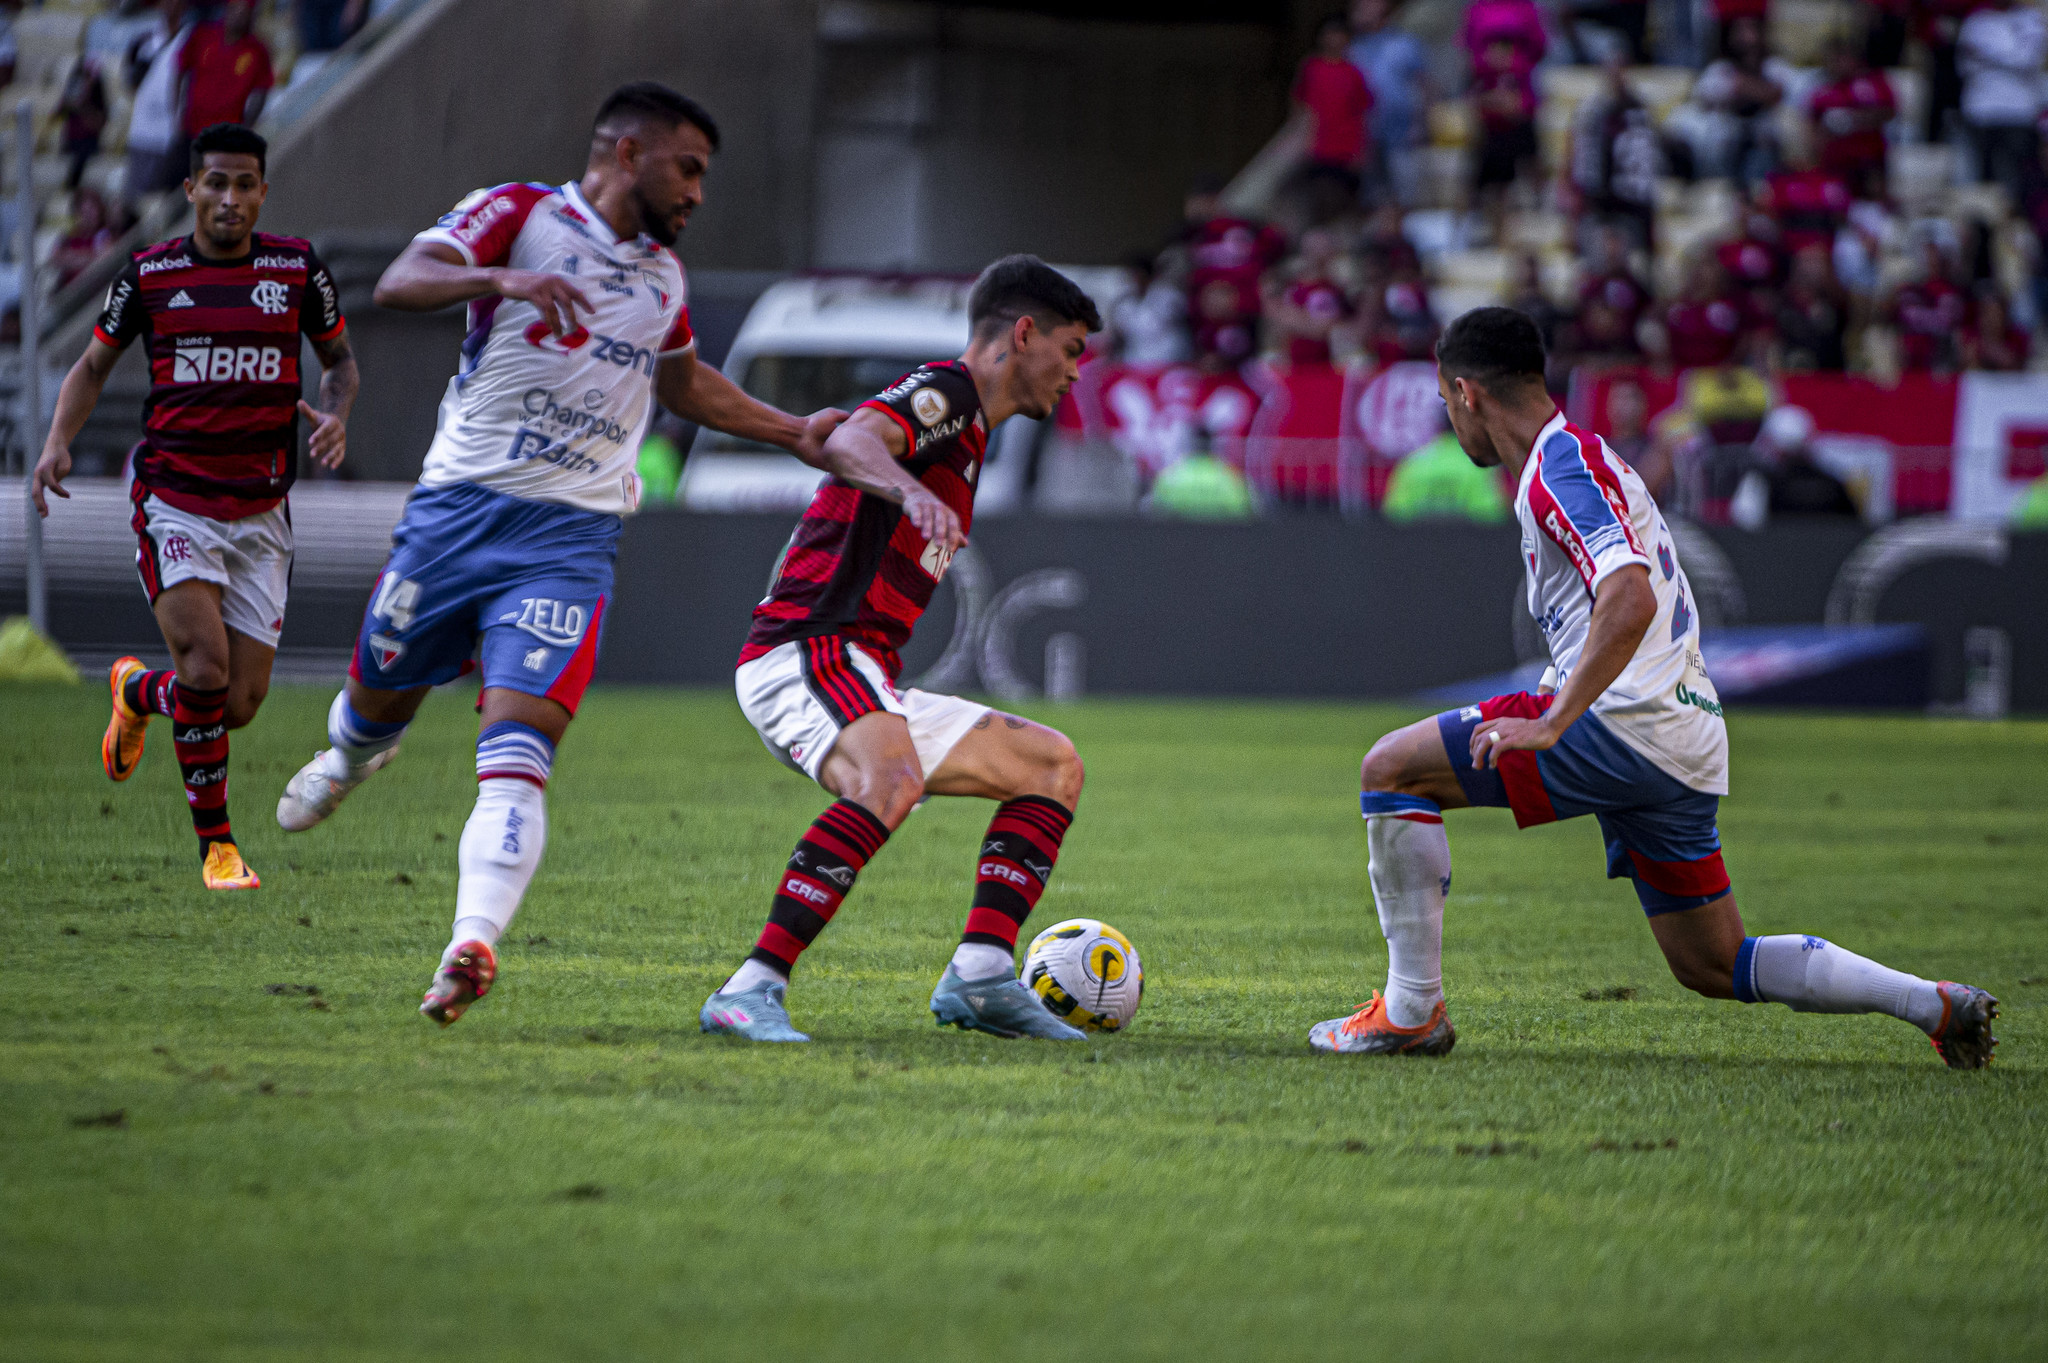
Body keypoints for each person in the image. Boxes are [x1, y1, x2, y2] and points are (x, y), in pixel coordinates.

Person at [269, 84, 842, 1027]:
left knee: (520, 746)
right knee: (377, 696)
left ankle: (472, 940)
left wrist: (794, 433)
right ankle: (352, 751)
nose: (699, 192)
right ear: (625, 153)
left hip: (569, 539)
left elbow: (685, 383)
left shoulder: (663, 280)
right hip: (456, 515)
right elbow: (400, 282)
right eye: (687, 168)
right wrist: (506, 281)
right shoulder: (523, 214)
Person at [1309, 306, 1998, 1068]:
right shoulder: (1583, 456)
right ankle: (1934, 1003)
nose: (1449, 417)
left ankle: (1410, 1011)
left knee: (1392, 769)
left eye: (1445, 400)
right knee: (1713, 962)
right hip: (1682, 735)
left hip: (1617, 719)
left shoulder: (1557, 471)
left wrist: (1552, 721)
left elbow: (1629, 594)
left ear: (1467, 393)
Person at [701, 255, 1102, 1044]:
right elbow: (855, 436)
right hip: (805, 649)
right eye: (1073, 348)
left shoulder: (973, 430)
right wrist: (912, 490)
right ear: (1024, 335)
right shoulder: (948, 395)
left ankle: (982, 976)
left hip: (865, 670)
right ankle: (749, 988)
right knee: (892, 780)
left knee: (1051, 768)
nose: (1075, 373)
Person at [30, 124, 356, 891]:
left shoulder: (297, 270)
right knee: (206, 670)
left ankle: (137, 692)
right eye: (216, 183)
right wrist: (56, 442)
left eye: (245, 184)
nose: (230, 198)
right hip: (175, 500)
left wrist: (337, 411)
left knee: (236, 703)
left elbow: (340, 362)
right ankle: (218, 848)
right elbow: (91, 364)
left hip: (263, 512)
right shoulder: (148, 275)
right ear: (191, 191)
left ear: (263, 192)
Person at [1957, 0, 2046, 205]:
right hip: (1981, 111)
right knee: (1984, 181)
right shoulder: (1976, 22)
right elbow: (1965, 67)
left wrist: (1986, 54)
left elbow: (2027, 59)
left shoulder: (2030, 20)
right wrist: (2009, 56)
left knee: (2020, 180)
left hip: (2019, 112)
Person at [1347, 0, 1430, 209]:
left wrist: (1422, 125)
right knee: (1371, 197)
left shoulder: (1405, 44)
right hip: (1366, 134)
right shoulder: (1352, 49)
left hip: (1402, 132)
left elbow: (1426, 86)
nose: (1362, 12)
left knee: (1406, 194)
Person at [1292, 15, 1373, 224]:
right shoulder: (1312, 68)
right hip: (1320, 149)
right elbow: (1300, 106)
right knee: (1320, 203)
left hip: (1346, 151)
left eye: (1339, 35)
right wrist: (1301, 141)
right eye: (1330, 35)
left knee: (1345, 204)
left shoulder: (1353, 73)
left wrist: (1361, 150)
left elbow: (1362, 113)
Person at [1806, 41, 1895, 203]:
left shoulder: (1873, 82)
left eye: (1842, 58)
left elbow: (1888, 112)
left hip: (1868, 161)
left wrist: (1853, 119)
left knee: (1874, 198)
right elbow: (1813, 127)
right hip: (1835, 165)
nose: (1838, 64)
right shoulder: (1822, 91)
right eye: (1833, 59)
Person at [123, 0, 193, 205]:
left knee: (163, 205)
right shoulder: (145, 40)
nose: (169, 5)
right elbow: (131, 82)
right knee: (136, 205)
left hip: (169, 134)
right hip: (140, 132)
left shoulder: (191, 39)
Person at [177, 0, 273, 142]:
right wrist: (178, 110)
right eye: (235, 9)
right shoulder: (204, 35)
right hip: (192, 130)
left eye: (244, 11)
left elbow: (261, 91)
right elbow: (181, 70)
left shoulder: (257, 50)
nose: (238, 15)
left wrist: (247, 126)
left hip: (227, 136)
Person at [1379, 426, 1511, 522]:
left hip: (1417, 552)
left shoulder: (1412, 463)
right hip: (1470, 551)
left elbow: (1394, 515)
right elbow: (1492, 515)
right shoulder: (1482, 466)